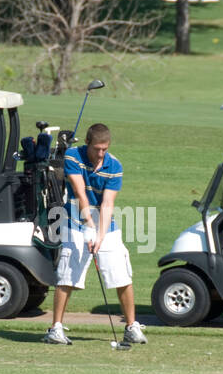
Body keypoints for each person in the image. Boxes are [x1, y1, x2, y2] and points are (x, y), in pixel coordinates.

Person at [42, 123, 146, 346]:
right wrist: (89, 225)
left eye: (105, 149)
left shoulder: (114, 166)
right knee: (68, 276)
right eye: (97, 148)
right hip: (74, 222)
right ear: (88, 143)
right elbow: (80, 194)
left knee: (121, 275)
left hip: (105, 225)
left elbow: (108, 204)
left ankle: (131, 327)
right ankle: (55, 329)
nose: (101, 154)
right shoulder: (73, 156)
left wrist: (99, 235)